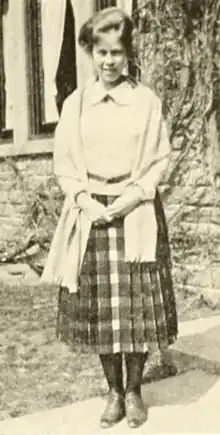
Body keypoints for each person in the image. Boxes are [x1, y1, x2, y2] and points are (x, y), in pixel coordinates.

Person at [41, 6, 178, 429]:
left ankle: (135, 390)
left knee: (133, 311)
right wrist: (84, 200)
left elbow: (160, 158)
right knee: (103, 311)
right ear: (89, 52)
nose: (109, 61)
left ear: (127, 52)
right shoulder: (77, 104)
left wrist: (133, 196)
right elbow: (64, 162)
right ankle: (113, 392)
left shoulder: (145, 101)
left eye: (117, 52)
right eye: (101, 52)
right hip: (92, 214)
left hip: (135, 211)